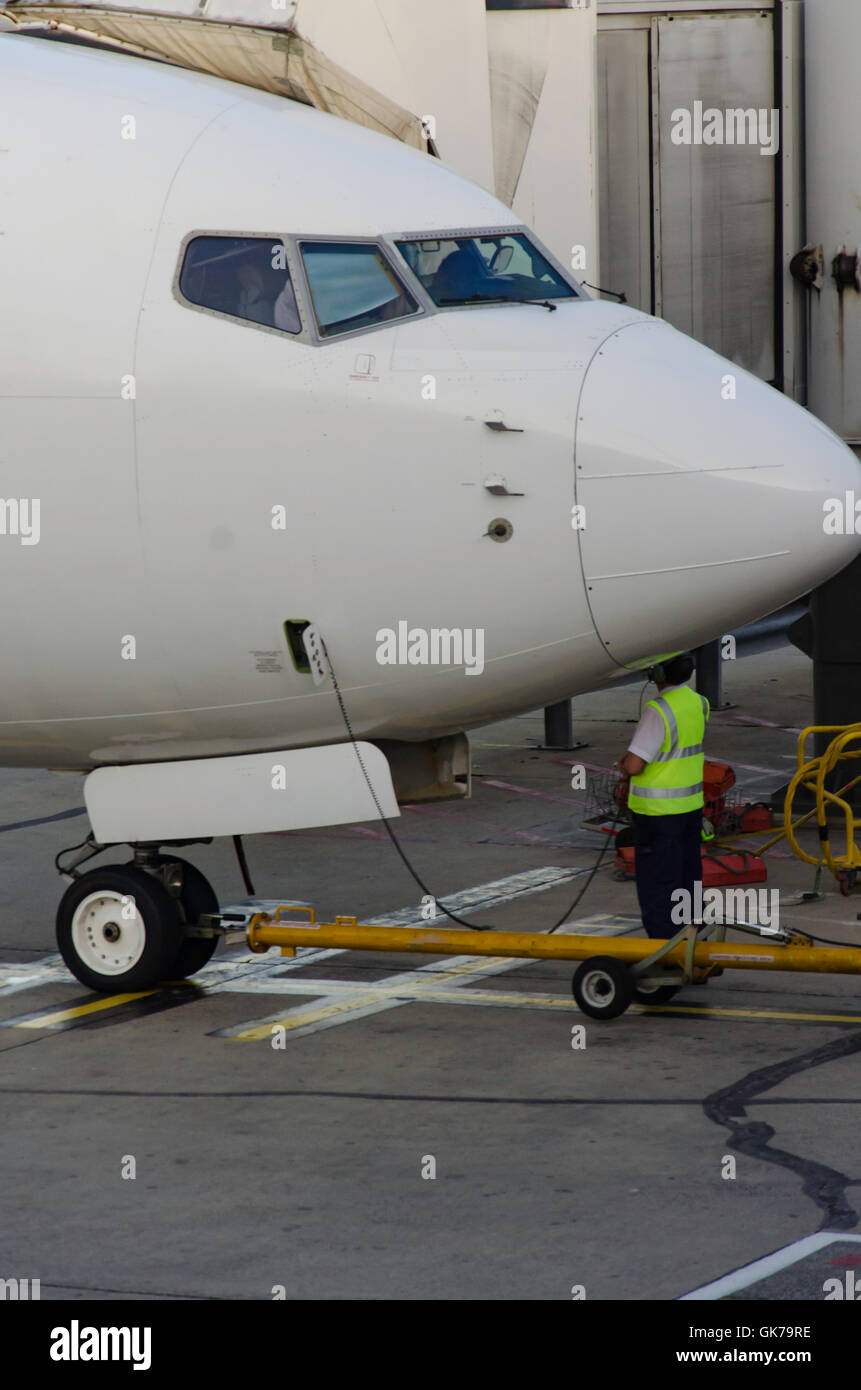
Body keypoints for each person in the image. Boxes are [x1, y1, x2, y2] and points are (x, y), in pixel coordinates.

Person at [617, 653, 710, 938]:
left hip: (658, 814)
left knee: (659, 884)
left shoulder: (658, 710)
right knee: (687, 876)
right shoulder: (700, 703)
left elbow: (635, 764)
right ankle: (694, 939)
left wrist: (622, 766)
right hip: (691, 807)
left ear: (658, 675)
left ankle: (665, 949)